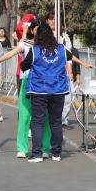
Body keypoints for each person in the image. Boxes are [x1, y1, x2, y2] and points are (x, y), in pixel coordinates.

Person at [0, 20, 51, 158]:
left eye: (41, 28)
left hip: (44, 83)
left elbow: (65, 55)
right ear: (32, 30)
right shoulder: (26, 43)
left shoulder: (49, 45)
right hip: (27, 81)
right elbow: (10, 54)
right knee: (25, 115)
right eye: (36, 28)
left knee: (45, 116)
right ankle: (22, 148)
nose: (39, 31)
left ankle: (45, 148)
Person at [21, 21, 72, 162]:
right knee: (56, 122)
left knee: (38, 122)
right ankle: (56, 153)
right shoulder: (61, 49)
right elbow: (70, 57)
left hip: (39, 89)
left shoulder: (35, 50)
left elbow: (24, 65)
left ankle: (37, 154)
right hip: (58, 90)